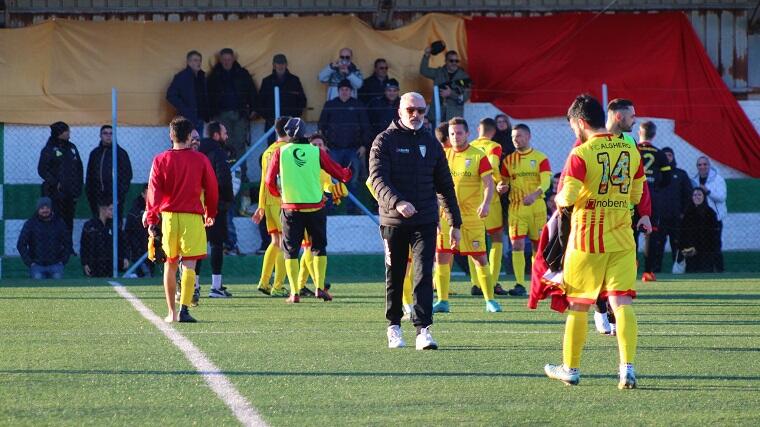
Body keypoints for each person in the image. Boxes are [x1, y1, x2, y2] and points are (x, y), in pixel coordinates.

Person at [544, 94, 645, 390]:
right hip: (623, 238)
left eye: (573, 125)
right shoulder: (630, 150)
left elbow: (569, 197)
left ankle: (571, 369)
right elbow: (636, 196)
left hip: (587, 239)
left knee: (578, 305)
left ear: (581, 122)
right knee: (622, 303)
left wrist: (558, 198)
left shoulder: (581, 153)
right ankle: (627, 369)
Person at [369, 92, 463, 351]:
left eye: (421, 110)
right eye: (411, 110)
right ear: (399, 111)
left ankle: (423, 330)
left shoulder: (431, 143)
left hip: (425, 220)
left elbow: (445, 184)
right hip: (393, 222)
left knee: (424, 273)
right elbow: (377, 180)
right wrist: (397, 202)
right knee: (396, 274)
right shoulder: (383, 141)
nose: (416, 115)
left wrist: (456, 223)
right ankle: (394, 327)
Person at [264, 117, 352, 303]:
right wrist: (346, 174)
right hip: (315, 207)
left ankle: (294, 292)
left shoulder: (280, 152)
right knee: (319, 248)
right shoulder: (315, 151)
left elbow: (268, 180)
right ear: (304, 132)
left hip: (291, 208)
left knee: (291, 250)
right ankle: (319, 288)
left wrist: (279, 195)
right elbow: (336, 172)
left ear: (287, 133)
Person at [144, 116, 219, 323]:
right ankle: (184, 309)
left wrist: (152, 218)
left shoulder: (160, 159)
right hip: (192, 218)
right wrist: (210, 213)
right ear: (189, 136)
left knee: (169, 264)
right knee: (189, 265)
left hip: (168, 218)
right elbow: (212, 190)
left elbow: (153, 192)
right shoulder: (200, 159)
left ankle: (171, 312)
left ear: (171, 135)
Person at [433, 117, 501, 314]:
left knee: (479, 257)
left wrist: (486, 203)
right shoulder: (442, 155)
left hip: (471, 216)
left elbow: (489, 183)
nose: (455, 137)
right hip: (446, 216)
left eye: (459, 133)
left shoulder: (478, 156)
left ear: (468, 134)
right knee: (442, 256)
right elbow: (433, 183)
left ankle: (490, 300)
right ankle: (443, 301)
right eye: (452, 134)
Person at [497, 124, 552, 297]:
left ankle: (539, 282)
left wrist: (535, 195)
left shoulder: (540, 158)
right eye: (514, 137)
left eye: (519, 136)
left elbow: (546, 182)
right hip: (516, 208)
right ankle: (520, 283)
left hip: (536, 208)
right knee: (517, 244)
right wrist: (501, 187)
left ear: (528, 137)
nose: (516, 139)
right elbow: (503, 182)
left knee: (538, 246)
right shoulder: (508, 161)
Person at [468, 118, 508, 295]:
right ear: (493, 132)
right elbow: (492, 164)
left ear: (478, 129)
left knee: (472, 239)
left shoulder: (469, 146)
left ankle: (476, 283)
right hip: (489, 197)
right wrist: (499, 181)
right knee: (497, 237)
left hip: (471, 197)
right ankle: (492, 281)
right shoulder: (494, 146)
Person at [252, 117, 290, 297]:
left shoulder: (268, 151)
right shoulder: (286, 150)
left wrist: (261, 206)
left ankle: (264, 281)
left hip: (268, 202)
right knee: (284, 243)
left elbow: (264, 181)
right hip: (281, 201)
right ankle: (278, 285)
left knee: (275, 242)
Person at [197, 121, 235, 299]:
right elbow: (224, 178)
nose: (226, 136)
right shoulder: (218, 153)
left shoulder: (195, 151)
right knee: (216, 244)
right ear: (216, 135)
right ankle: (216, 286)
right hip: (214, 205)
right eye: (224, 133)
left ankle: (194, 285)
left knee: (195, 247)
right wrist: (227, 199)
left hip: (194, 205)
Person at [631, 119, 672, 282]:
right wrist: (654, 186)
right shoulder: (660, 153)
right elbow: (667, 178)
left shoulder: (633, 149)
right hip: (652, 196)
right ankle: (648, 272)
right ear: (654, 134)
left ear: (639, 133)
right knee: (651, 233)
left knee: (630, 232)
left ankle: (630, 268)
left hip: (633, 195)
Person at [207, 48, 258, 166]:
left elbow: (252, 92)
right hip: (221, 115)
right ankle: (228, 174)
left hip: (240, 114)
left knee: (240, 144)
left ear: (233, 59)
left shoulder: (242, 73)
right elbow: (208, 96)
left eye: (229, 59)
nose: (226, 62)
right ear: (220, 60)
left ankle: (242, 176)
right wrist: (210, 113)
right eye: (224, 59)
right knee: (225, 144)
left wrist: (254, 108)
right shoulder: (214, 76)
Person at [318, 79, 371, 190]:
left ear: (351, 91)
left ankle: (352, 207)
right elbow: (321, 126)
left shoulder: (358, 105)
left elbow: (366, 127)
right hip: (333, 149)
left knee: (353, 181)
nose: (344, 91)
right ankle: (333, 206)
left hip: (354, 150)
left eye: (347, 89)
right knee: (331, 180)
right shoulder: (330, 105)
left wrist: (363, 146)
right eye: (342, 89)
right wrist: (324, 145)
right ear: (338, 91)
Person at [37, 121, 83, 236]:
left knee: (68, 220)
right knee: (54, 219)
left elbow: (79, 168)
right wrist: (55, 183)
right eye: (67, 130)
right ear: (60, 133)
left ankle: (68, 246)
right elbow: (42, 170)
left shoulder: (72, 147)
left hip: (70, 193)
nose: (69, 133)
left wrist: (78, 187)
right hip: (54, 194)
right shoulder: (49, 149)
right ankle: (55, 246)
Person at [651, 147, 693, 273]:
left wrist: (682, 213)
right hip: (659, 218)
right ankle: (655, 270)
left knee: (677, 245)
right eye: (665, 155)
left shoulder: (681, 174)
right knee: (657, 245)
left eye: (670, 155)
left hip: (676, 218)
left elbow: (688, 195)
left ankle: (679, 270)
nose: (667, 157)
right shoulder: (655, 175)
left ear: (673, 157)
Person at [85, 125, 133, 220]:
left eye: (111, 133)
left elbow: (127, 176)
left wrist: (119, 197)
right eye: (105, 133)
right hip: (97, 197)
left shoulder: (121, 154)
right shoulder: (95, 153)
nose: (108, 136)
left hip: (115, 198)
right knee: (99, 223)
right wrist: (91, 195)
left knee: (115, 224)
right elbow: (89, 175)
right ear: (100, 135)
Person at [17, 197, 71, 279]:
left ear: (51, 208)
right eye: (42, 208)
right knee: (38, 281)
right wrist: (30, 263)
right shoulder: (30, 224)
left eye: (47, 208)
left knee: (58, 283)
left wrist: (63, 261)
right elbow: (21, 244)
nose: (45, 210)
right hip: (37, 265)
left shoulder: (59, 223)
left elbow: (68, 243)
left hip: (56, 264)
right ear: (38, 209)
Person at [257, 54, 307, 141]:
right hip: (272, 122)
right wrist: (268, 116)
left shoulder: (294, 80)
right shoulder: (267, 81)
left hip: (290, 121)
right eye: (278, 63)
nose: (280, 66)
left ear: (286, 64)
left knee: (290, 148)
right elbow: (260, 101)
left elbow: (302, 100)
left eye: (282, 63)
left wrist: (295, 116)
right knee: (273, 149)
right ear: (274, 65)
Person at [691, 156, 727, 272]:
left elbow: (722, 197)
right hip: (700, 219)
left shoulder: (718, 179)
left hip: (715, 218)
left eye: (705, 164)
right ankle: (705, 270)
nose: (702, 167)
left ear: (709, 166)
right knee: (701, 246)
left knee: (715, 246)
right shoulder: (694, 180)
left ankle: (720, 270)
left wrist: (708, 191)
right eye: (699, 165)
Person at [420, 48, 471, 121]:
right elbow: (424, 71)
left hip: (454, 116)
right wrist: (426, 55)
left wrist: (451, 94)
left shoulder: (464, 77)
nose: (454, 63)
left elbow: (465, 97)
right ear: (446, 61)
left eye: (456, 61)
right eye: (451, 61)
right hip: (437, 114)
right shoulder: (439, 72)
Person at [80, 201, 128, 277]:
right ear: (102, 209)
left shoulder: (115, 225)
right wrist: (85, 263)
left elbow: (123, 242)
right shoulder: (89, 226)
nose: (113, 212)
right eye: (110, 209)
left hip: (111, 266)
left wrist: (125, 257)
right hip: (94, 266)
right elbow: (84, 246)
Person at [166, 50, 208, 133]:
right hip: (186, 119)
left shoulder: (202, 77)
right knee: (186, 143)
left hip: (200, 119)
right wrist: (185, 109)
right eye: (195, 60)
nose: (198, 63)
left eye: (200, 60)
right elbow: (170, 95)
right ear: (189, 62)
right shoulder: (181, 77)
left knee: (197, 143)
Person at [680, 188, 721, 272]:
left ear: (704, 197)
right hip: (691, 251)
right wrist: (684, 247)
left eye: (699, 195)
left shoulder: (710, 213)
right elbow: (682, 232)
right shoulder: (687, 212)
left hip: (706, 251)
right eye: (694, 195)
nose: (697, 197)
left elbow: (714, 234)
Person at [124, 185, 153, 278]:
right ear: (143, 194)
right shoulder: (134, 213)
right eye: (148, 194)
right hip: (138, 249)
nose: (150, 197)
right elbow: (128, 233)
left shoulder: (158, 210)